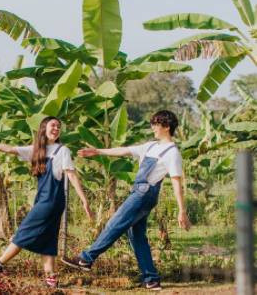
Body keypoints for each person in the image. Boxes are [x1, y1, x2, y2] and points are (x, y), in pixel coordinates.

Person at [62, 110, 191, 291]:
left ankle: (86, 258)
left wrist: (182, 210)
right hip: (139, 193)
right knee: (136, 236)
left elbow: (177, 181)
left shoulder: (172, 152)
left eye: (156, 124)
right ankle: (151, 279)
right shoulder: (151, 146)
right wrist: (98, 151)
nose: (153, 127)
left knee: (115, 223)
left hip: (144, 195)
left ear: (167, 126)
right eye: (152, 123)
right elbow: (124, 150)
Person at [0, 116, 93, 288]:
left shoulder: (63, 150)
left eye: (58, 126)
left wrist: (84, 200)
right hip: (45, 200)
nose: (56, 128)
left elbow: (71, 175)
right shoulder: (36, 150)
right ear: (43, 128)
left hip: (52, 201)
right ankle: (51, 279)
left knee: (22, 233)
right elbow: (9, 149)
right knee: (48, 240)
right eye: (53, 125)